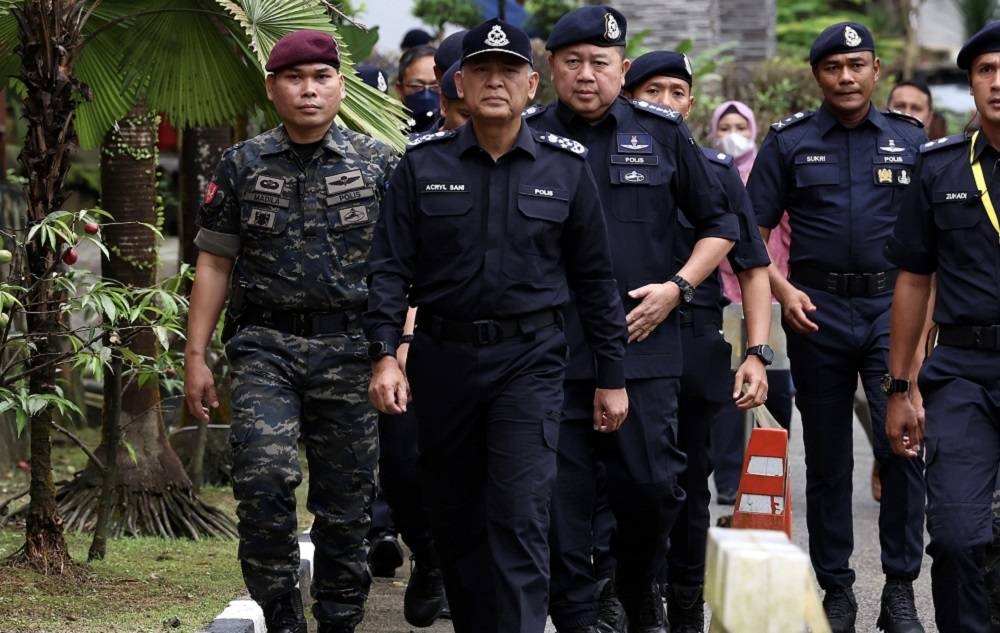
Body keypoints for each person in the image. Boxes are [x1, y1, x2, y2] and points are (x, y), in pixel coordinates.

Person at [365, 18, 629, 633]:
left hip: (529, 361)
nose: (494, 82)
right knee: (455, 519)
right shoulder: (422, 165)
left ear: (530, 84)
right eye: (481, 70)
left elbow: (595, 282)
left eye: (508, 71)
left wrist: (611, 377)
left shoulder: (566, 168)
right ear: (458, 81)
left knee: (519, 514)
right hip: (442, 359)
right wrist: (383, 356)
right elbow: (388, 270)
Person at [525, 7, 740, 632]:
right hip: (552, 345)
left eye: (600, 63)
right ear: (550, 68)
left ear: (622, 69)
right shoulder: (528, 134)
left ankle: (636, 580)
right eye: (572, 62)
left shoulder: (662, 132)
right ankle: (583, 609)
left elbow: (719, 224)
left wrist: (677, 288)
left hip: (643, 342)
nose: (586, 75)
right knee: (562, 502)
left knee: (651, 487)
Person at [183, 30, 398, 633]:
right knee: (263, 478)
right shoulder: (242, 163)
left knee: (347, 501)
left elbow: (405, 268)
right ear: (273, 88)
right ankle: (282, 617)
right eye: (295, 78)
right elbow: (215, 262)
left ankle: (338, 619)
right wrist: (195, 355)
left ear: (339, 84)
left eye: (322, 77)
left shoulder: (380, 163)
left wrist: (397, 351)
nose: (309, 90)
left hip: (352, 348)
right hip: (264, 349)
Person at [746, 22, 927, 633]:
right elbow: (749, 235)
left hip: (889, 313)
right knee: (825, 459)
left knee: (900, 448)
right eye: (833, 67)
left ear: (877, 71)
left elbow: (931, 247)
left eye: (857, 64)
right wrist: (782, 288)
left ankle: (899, 588)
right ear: (817, 75)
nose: (845, 77)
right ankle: (838, 589)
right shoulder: (789, 142)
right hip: (814, 309)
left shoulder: (910, 140)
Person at [623, 50, 772, 633]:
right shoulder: (595, 161)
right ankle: (630, 596)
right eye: (650, 90)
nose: (663, 102)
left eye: (675, 92)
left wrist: (758, 352)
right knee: (622, 485)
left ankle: (684, 601)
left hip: (692, 344)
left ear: (690, 102)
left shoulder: (713, 170)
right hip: (623, 341)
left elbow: (753, 266)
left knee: (685, 484)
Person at [884, 21, 1000, 632]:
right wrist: (901, 388)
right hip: (964, 373)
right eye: (985, 70)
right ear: (971, 84)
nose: (998, 82)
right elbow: (914, 280)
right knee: (956, 536)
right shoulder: (941, 168)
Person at [708, 99, 797, 505]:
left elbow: (787, 234)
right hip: (725, 297)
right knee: (728, 395)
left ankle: (770, 473)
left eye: (738, 124)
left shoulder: (767, 171)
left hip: (771, 297)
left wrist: (783, 283)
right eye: (723, 125)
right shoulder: (707, 172)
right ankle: (728, 481)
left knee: (775, 387)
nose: (731, 132)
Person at [395, 44, 440, 134]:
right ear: (400, 89)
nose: (427, 95)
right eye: (417, 86)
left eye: (435, 86)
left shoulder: (456, 133)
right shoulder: (390, 134)